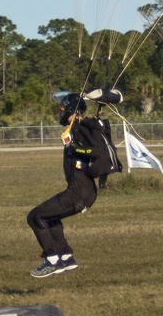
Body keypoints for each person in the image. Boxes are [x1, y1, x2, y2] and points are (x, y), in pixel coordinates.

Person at [26, 91, 121, 278]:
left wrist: (73, 147)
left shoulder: (80, 128)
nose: (59, 112)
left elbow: (94, 151)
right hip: (86, 193)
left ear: (70, 109)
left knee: (35, 217)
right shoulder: (79, 127)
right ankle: (66, 256)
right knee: (50, 218)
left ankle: (52, 260)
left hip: (78, 193)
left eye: (61, 109)